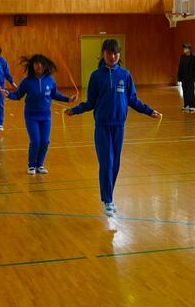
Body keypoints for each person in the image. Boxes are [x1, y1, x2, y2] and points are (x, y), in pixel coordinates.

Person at [65, 39, 161, 216]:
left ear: (119, 54)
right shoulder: (96, 76)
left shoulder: (125, 75)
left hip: (119, 127)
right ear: (103, 54)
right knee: (106, 162)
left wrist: (149, 111)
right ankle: (107, 200)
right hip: (102, 127)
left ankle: (109, 197)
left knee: (115, 164)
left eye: (116, 53)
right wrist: (75, 110)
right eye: (109, 53)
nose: (113, 56)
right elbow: (91, 102)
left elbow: (133, 100)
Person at [3, 54, 77, 174]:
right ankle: (32, 165)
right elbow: (18, 95)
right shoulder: (27, 81)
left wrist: (68, 99)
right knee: (36, 141)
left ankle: (40, 165)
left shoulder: (50, 80)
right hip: (31, 116)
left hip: (46, 116)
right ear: (32, 65)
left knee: (45, 141)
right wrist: (9, 95)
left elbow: (55, 94)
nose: (39, 66)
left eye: (42, 64)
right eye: (36, 63)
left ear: (45, 66)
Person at [177, 43, 195, 113]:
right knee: (185, 92)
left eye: (186, 48)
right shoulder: (182, 57)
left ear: (189, 49)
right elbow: (180, 67)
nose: (184, 50)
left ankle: (192, 106)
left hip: (190, 78)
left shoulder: (193, 57)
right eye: (184, 48)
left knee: (191, 92)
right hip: (183, 78)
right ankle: (186, 105)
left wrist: (194, 78)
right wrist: (179, 77)